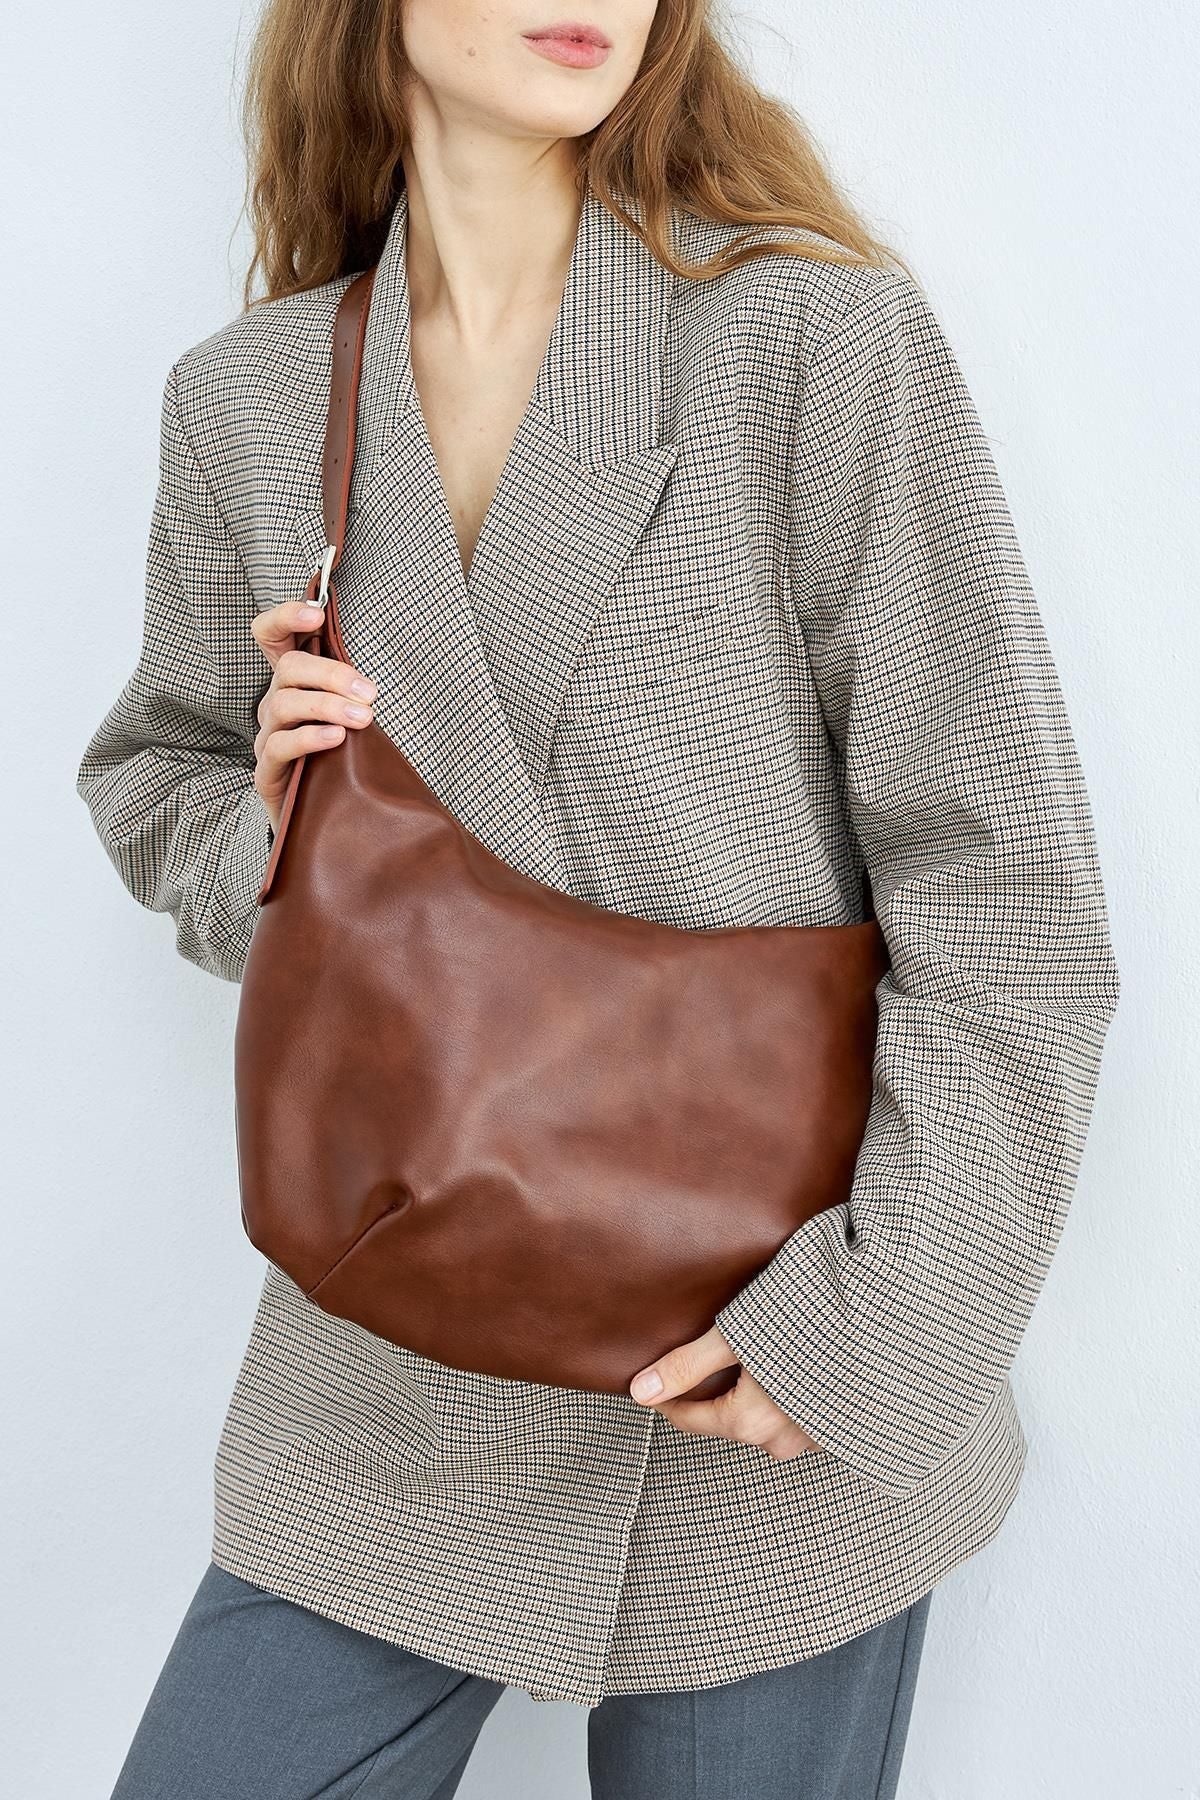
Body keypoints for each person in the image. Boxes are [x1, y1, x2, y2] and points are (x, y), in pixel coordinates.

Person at [75, 2, 1121, 1795]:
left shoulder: (806, 338)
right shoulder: (251, 400)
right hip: (392, 1372)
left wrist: (870, 1331)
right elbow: (155, 777)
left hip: (765, 1368)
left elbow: (1004, 882)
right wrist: (281, 830)